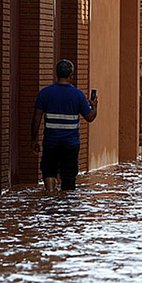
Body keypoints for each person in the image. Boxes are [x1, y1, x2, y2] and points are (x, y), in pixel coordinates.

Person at [31, 59, 98, 192]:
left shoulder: (45, 93)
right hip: (70, 144)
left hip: (51, 142)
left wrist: (34, 139)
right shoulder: (78, 95)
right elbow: (90, 117)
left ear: (56, 74)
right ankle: (66, 206)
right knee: (68, 177)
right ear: (71, 75)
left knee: (49, 171)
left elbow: (36, 118)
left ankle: (50, 197)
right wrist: (95, 107)